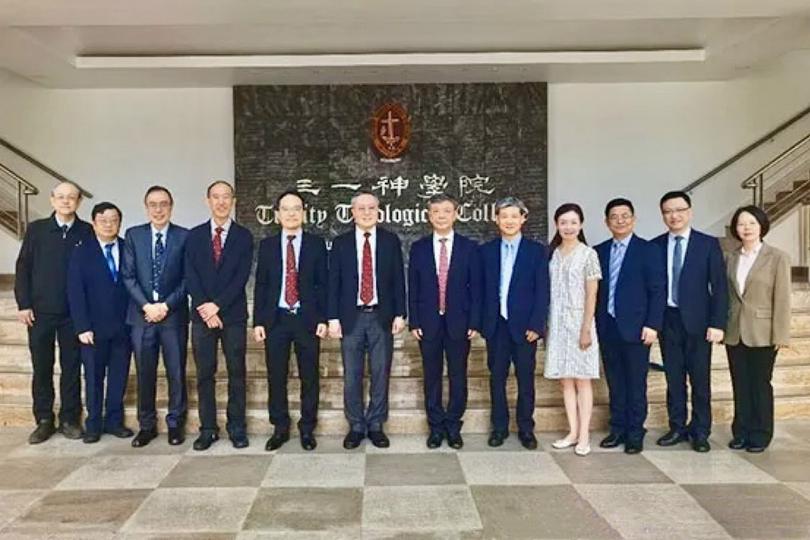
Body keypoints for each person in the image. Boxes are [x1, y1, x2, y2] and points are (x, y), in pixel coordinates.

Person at [15, 181, 93, 444]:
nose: (66, 201)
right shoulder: (37, 230)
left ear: (79, 201)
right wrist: (23, 304)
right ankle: (44, 419)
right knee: (42, 367)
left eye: (71, 197)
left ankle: (70, 418)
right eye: (60, 197)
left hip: (73, 314)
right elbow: (23, 269)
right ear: (52, 200)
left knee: (72, 367)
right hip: (40, 313)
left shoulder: (87, 231)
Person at [328, 191, 407, 450]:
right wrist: (332, 318)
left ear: (378, 211)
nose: (366, 212)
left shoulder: (390, 241)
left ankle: (375, 424)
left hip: (380, 317)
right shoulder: (340, 243)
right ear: (352, 212)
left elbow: (398, 279)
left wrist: (400, 313)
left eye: (371, 208)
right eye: (360, 208)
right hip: (350, 317)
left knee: (380, 372)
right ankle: (356, 425)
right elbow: (334, 283)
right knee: (352, 375)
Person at [652, 191, 728, 452]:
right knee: (674, 378)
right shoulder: (656, 245)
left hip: (698, 322)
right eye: (668, 211)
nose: (674, 215)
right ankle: (676, 427)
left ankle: (700, 431)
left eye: (679, 210)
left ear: (689, 211)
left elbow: (719, 287)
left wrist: (717, 323)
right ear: (663, 215)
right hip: (668, 320)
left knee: (700, 379)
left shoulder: (707, 244)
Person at [254, 190, 328, 451]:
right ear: (277, 215)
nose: (291, 213)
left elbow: (323, 284)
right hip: (276, 321)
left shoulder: (316, 244)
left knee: (310, 377)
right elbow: (261, 285)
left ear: (304, 213)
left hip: (307, 320)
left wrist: (323, 319)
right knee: (277, 376)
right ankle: (280, 427)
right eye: (286, 209)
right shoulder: (267, 245)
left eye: (297, 208)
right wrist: (259, 322)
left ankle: (307, 428)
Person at [408, 193, 481, 450]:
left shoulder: (469, 247)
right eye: (436, 211)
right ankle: (435, 427)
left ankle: (453, 425)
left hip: (459, 323)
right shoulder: (418, 247)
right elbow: (413, 288)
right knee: (432, 375)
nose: (441, 216)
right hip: (427, 323)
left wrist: (474, 321)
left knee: (458, 375)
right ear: (429, 215)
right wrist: (414, 321)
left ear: (456, 214)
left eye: (446, 211)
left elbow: (476, 288)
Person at [185, 181, 253, 450]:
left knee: (237, 372)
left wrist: (217, 306)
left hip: (233, 315)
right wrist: (205, 306)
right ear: (208, 201)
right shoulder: (194, 236)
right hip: (202, 317)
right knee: (205, 373)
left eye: (226, 197)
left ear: (233, 201)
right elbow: (190, 274)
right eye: (216, 197)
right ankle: (208, 428)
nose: (221, 202)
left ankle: (236, 427)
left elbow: (241, 277)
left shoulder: (243, 236)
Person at [594, 198, 665, 454]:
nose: (620, 220)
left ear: (633, 219)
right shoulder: (599, 251)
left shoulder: (648, 250)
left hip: (637, 328)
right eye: (614, 216)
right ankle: (617, 429)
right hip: (607, 326)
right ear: (606, 222)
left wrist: (653, 324)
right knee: (614, 381)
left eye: (625, 216)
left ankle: (635, 432)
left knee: (636, 383)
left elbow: (657, 290)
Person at [480, 196, 549, 450]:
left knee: (525, 379)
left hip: (525, 328)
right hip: (495, 326)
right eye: (503, 216)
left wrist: (537, 325)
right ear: (496, 219)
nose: (509, 221)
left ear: (523, 218)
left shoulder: (537, 251)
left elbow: (542, 291)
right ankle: (498, 428)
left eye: (514, 216)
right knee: (496, 378)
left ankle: (526, 429)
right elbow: (480, 290)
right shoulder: (485, 251)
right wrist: (481, 324)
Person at [122, 185, 189, 448]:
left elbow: (188, 278)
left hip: (173, 317)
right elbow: (128, 276)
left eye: (164, 204)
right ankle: (146, 426)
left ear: (171, 207)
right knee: (145, 373)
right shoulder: (133, 235)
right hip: (142, 318)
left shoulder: (184, 236)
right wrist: (147, 306)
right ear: (146, 207)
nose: (158, 209)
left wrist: (166, 306)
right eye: (153, 204)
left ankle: (175, 425)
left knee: (176, 372)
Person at [724, 205, 791, 453]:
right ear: (736, 229)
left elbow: (783, 298)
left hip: (763, 332)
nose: (747, 228)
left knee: (760, 384)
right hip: (735, 331)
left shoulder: (777, 257)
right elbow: (730, 296)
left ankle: (761, 433)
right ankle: (740, 431)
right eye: (742, 224)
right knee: (739, 383)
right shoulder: (730, 257)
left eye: (752, 223)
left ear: (762, 226)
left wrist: (781, 334)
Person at [67, 202, 133, 443]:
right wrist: (82, 327)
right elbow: (75, 291)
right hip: (92, 329)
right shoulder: (82, 251)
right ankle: (93, 424)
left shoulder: (128, 247)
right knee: (94, 377)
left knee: (119, 375)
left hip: (124, 326)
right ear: (94, 223)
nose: (109, 225)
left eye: (114, 220)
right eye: (103, 220)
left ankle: (114, 421)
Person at [545, 203, 601, 457]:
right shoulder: (552, 253)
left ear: (581, 224)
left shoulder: (588, 254)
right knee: (565, 381)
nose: (568, 227)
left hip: (581, 323)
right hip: (557, 325)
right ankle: (572, 431)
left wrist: (586, 328)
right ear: (557, 224)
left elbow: (592, 295)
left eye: (573, 222)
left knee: (583, 380)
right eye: (563, 222)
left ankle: (585, 435)